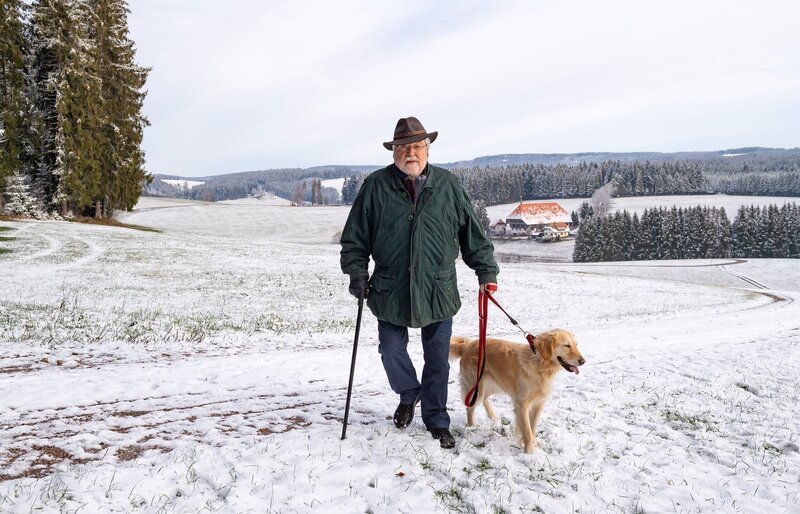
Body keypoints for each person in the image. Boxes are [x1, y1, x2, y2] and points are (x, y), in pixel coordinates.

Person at [340, 116, 499, 449]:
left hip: (438, 288)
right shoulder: (375, 186)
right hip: (390, 287)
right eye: (403, 147)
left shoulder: (449, 186)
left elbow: (472, 234)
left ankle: (437, 420)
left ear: (427, 149)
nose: (410, 153)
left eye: (416, 146)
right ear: (394, 151)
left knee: (438, 360)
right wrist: (357, 272)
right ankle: (409, 391)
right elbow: (355, 237)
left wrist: (486, 272)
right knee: (390, 348)